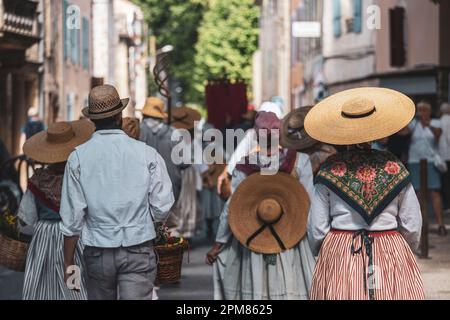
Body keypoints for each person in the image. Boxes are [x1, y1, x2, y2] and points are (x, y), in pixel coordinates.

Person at [305, 87, 425, 300]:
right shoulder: (393, 167)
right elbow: (411, 223)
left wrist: (324, 254)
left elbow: (317, 228)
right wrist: (406, 248)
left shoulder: (330, 169)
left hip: (343, 250)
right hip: (388, 247)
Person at [60, 85, 174, 300]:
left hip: (97, 250)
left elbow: (72, 218)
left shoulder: (78, 158)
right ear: (120, 115)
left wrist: (68, 263)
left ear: (92, 119)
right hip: (138, 247)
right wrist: (145, 224)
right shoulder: (147, 154)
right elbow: (162, 205)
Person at [206, 111, 316, 300]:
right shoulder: (300, 161)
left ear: (256, 136)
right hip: (291, 236)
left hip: (252, 235)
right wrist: (316, 242)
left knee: (255, 287)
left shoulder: (244, 165)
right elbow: (310, 204)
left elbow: (231, 208)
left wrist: (219, 243)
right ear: (280, 133)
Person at [18, 120, 94, 300]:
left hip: (44, 241)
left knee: (42, 287)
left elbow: (25, 221)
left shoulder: (38, 181)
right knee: (75, 287)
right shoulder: (81, 177)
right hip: (75, 240)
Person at [216, 101, 283, 198]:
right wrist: (226, 173)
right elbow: (237, 157)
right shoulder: (252, 134)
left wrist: (226, 173)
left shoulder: (252, 134)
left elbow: (237, 159)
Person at [406, 101, 446, 236]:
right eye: (419, 109)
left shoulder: (436, 122)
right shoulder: (414, 124)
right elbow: (403, 132)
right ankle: (420, 225)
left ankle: (440, 224)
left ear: (429, 111)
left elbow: (438, 135)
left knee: (434, 192)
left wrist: (427, 124)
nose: (421, 112)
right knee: (417, 194)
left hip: (431, 161)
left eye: (424, 109)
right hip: (415, 161)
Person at [168, 106, 207, 239]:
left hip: (177, 172)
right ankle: (185, 232)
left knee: (180, 203)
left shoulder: (172, 136)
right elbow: (200, 161)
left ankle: (178, 231)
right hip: (188, 173)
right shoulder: (191, 140)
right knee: (188, 203)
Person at [139, 97, 187, 202]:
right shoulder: (175, 134)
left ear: (144, 114)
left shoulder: (136, 132)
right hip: (171, 190)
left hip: (142, 189)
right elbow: (184, 162)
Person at [439, 102, 450, 211]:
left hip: (443, 155)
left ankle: (446, 205)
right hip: (448, 155)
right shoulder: (448, 120)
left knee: (445, 181)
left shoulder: (440, 121)